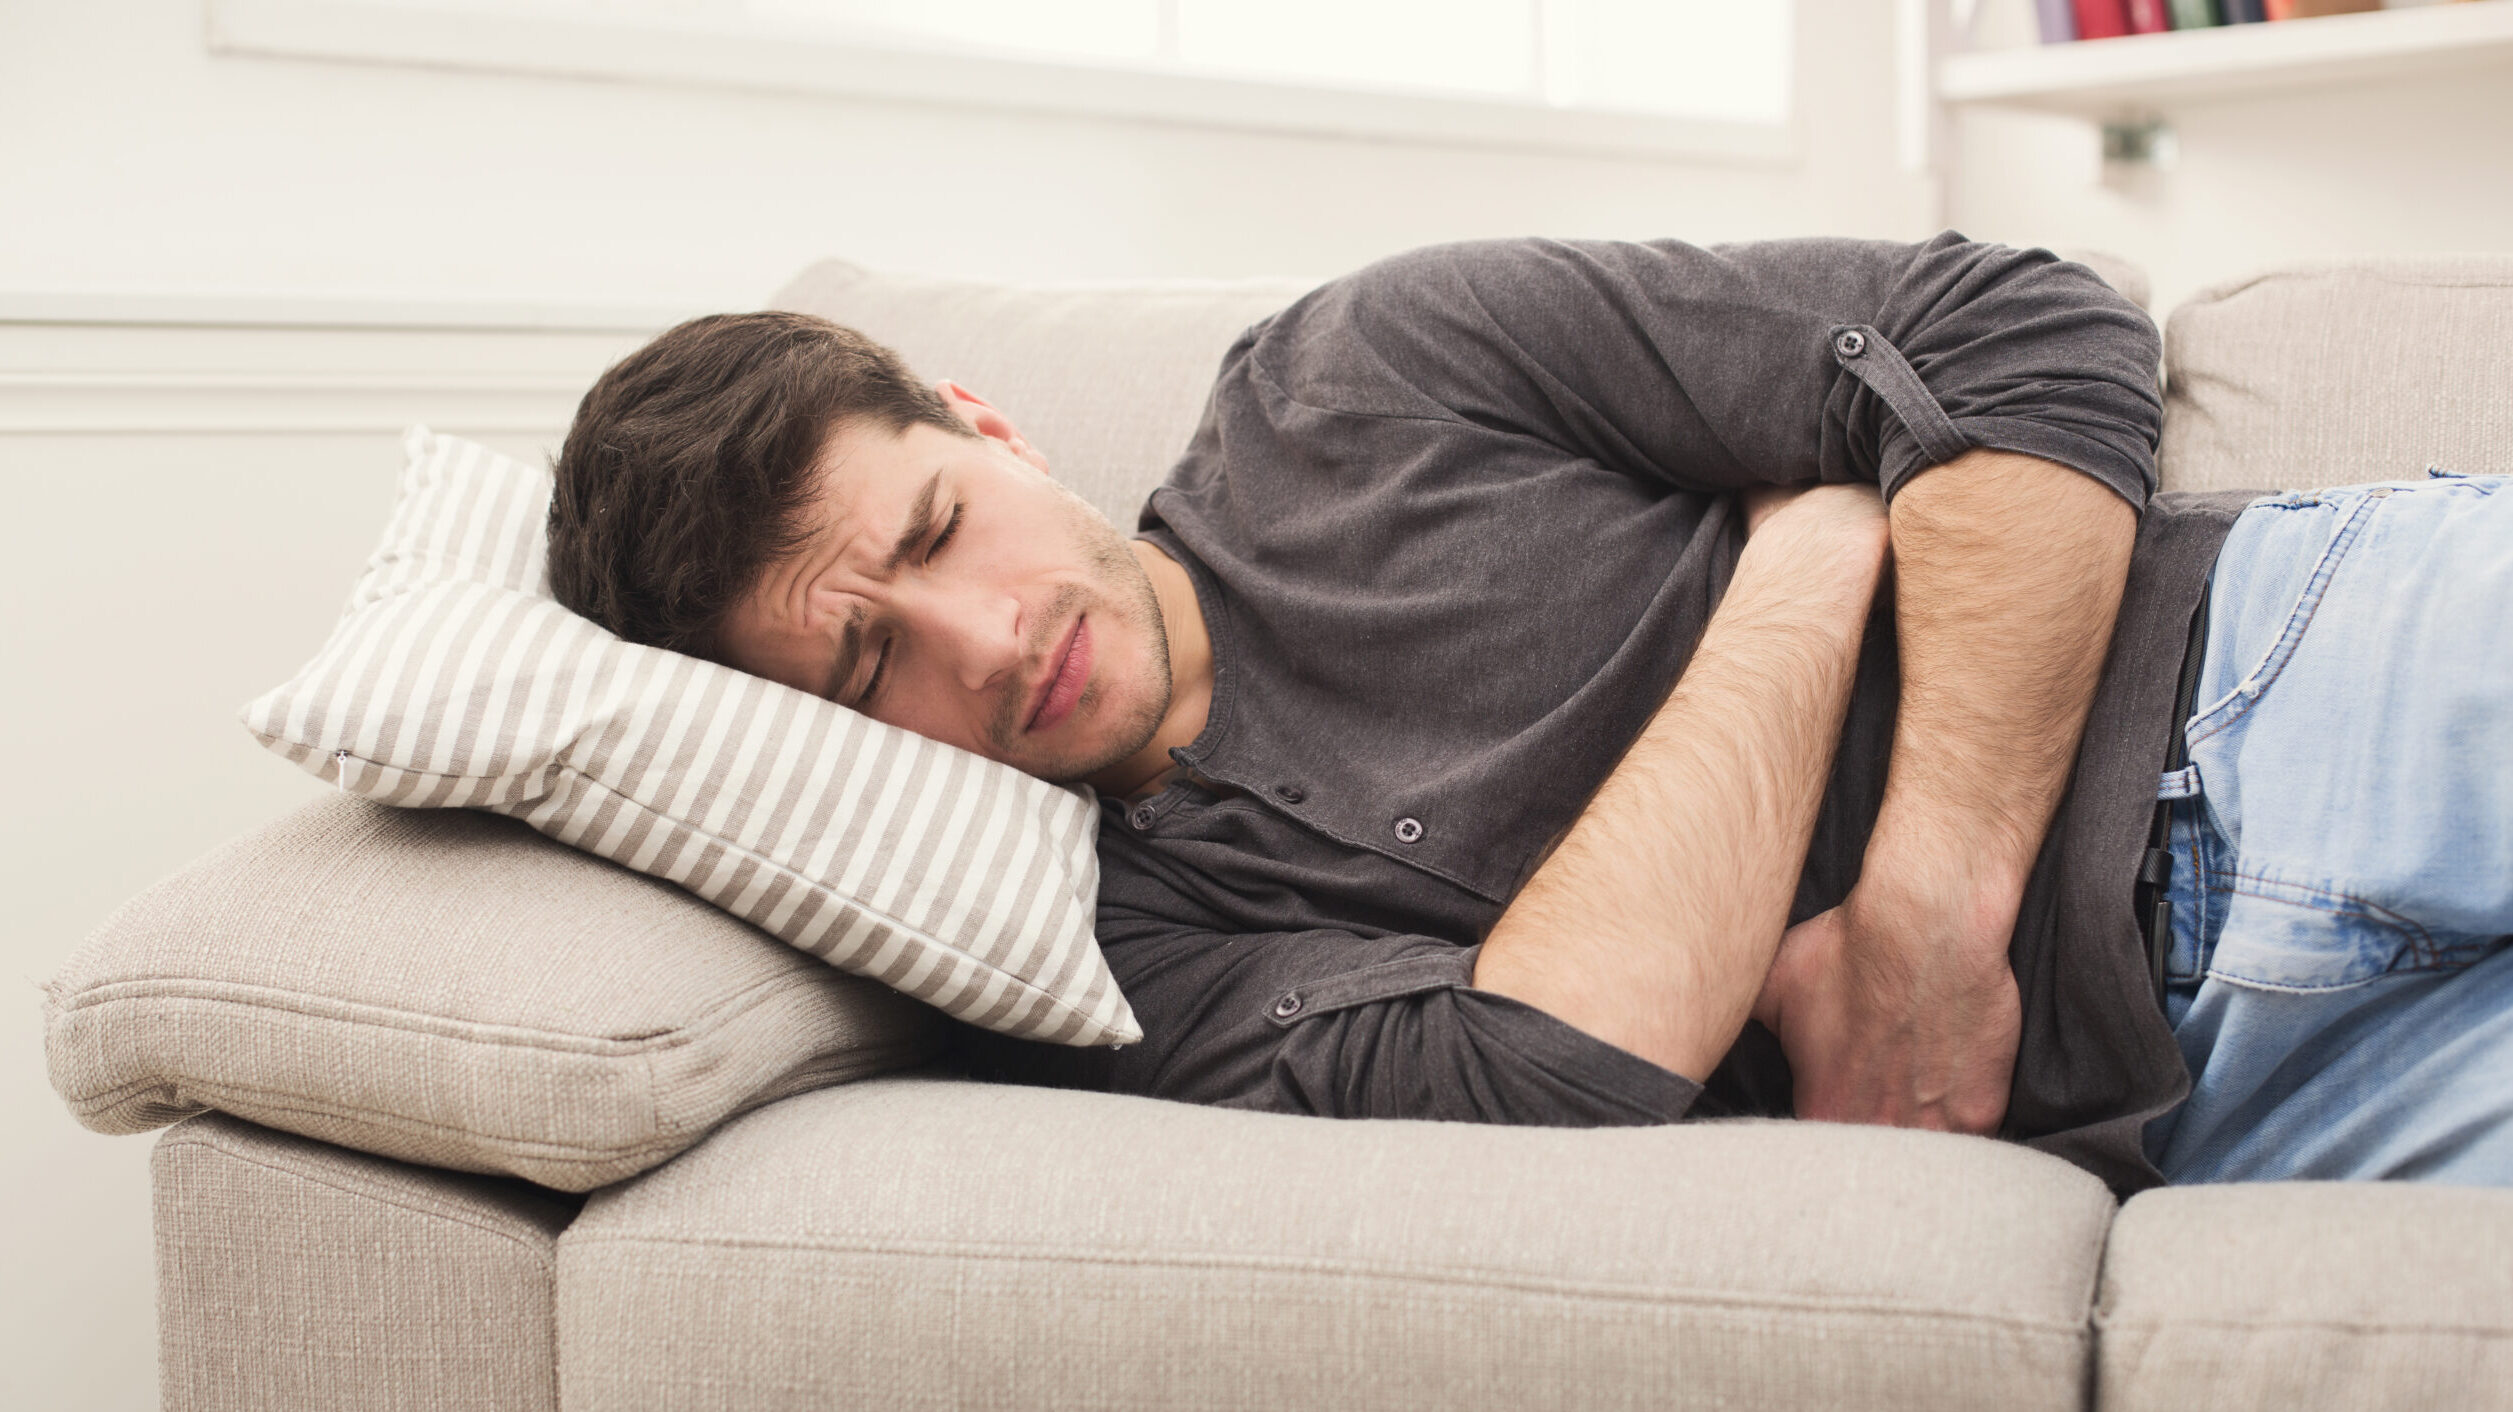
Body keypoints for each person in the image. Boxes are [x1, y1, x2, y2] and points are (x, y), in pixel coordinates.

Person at [545, 234, 2513, 1195]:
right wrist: (1810, 556)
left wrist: (1931, 894)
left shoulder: (1351, 381)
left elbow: (2022, 326)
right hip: (2212, 1091)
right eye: (867, 667)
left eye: (937, 529)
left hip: (2292, 669)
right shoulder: (1130, 972)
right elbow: (1564, 1071)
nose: (983, 641)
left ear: (984, 425)